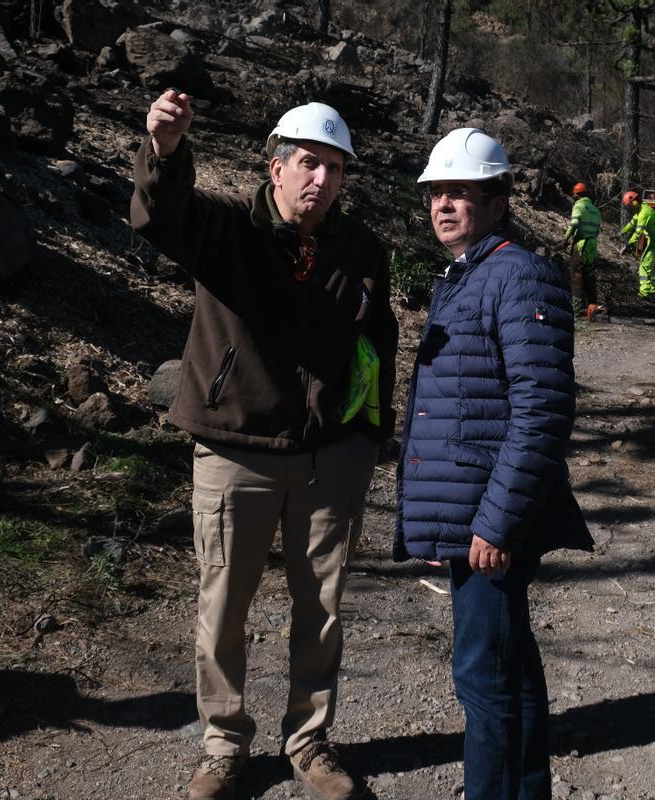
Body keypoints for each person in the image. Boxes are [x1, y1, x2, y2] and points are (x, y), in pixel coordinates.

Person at [131, 92, 398, 800]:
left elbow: (380, 340)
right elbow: (161, 216)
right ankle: (224, 743)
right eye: (309, 163)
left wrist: (372, 435)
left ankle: (309, 741)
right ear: (275, 168)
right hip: (235, 446)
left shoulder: (363, 248)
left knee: (324, 606)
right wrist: (164, 152)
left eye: (336, 169)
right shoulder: (225, 229)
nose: (322, 180)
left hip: (329, 455)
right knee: (223, 605)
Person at [394, 128, 593, 800]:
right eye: (437, 193)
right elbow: (459, 408)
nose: (444, 205)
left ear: (498, 199)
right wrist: (443, 525)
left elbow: (541, 412)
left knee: (486, 679)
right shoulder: (465, 276)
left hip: (493, 524)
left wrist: (496, 525)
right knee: (507, 669)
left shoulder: (518, 274)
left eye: (462, 192)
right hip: (474, 519)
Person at [562, 181, 603, 317]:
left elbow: (574, 223)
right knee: (589, 275)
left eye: (574, 195)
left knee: (576, 275)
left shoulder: (579, 206)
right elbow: (597, 231)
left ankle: (577, 308)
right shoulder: (595, 210)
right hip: (592, 245)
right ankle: (593, 305)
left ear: (577, 195)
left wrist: (566, 239)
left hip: (581, 244)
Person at [619, 189, 655, 298]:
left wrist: (628, 244)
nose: (629, 209)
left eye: (629, 206)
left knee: (644, 264)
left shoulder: (644, 213)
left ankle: (645, 292)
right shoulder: (641, 210)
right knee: (647, 263)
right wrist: (621, 233)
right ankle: (653, 289)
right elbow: (631, 223)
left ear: (634, 202)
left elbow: (638, 232)